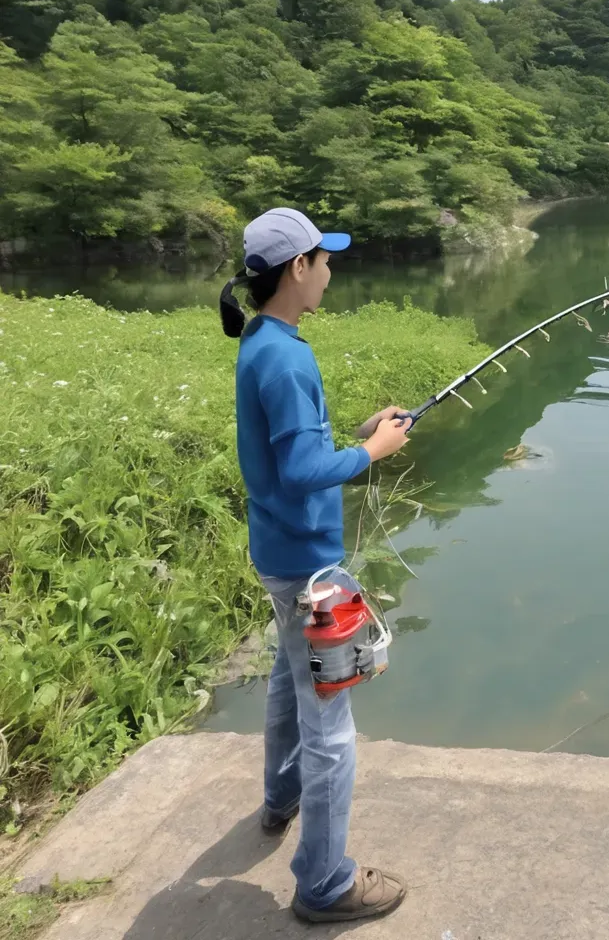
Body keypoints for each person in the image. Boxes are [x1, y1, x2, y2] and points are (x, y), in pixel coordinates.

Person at [220, 207, 411, 922]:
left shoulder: (263, 340)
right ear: (298, 269)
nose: (330, 273)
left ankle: (280, 796)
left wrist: (361, 431)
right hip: (307, 565)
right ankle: (326, 883)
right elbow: (304, 471)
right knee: (332, 728)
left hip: (275, 551)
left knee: (285, 678)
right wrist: (371, 455)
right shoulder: (289, 354)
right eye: (324, 262)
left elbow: (290, 447)